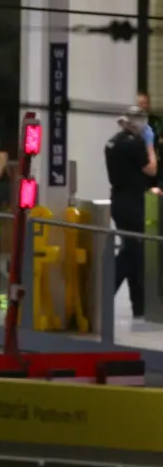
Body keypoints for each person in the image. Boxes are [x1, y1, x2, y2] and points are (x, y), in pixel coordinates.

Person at [105, 105, 158, 320]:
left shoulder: (112, 142)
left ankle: (139, 305)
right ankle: (105, 292)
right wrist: (150, 145)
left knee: (136, 253)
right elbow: (151, 168)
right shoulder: (134, 143)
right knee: (131, 252)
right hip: (133, 203)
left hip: (118, 201)